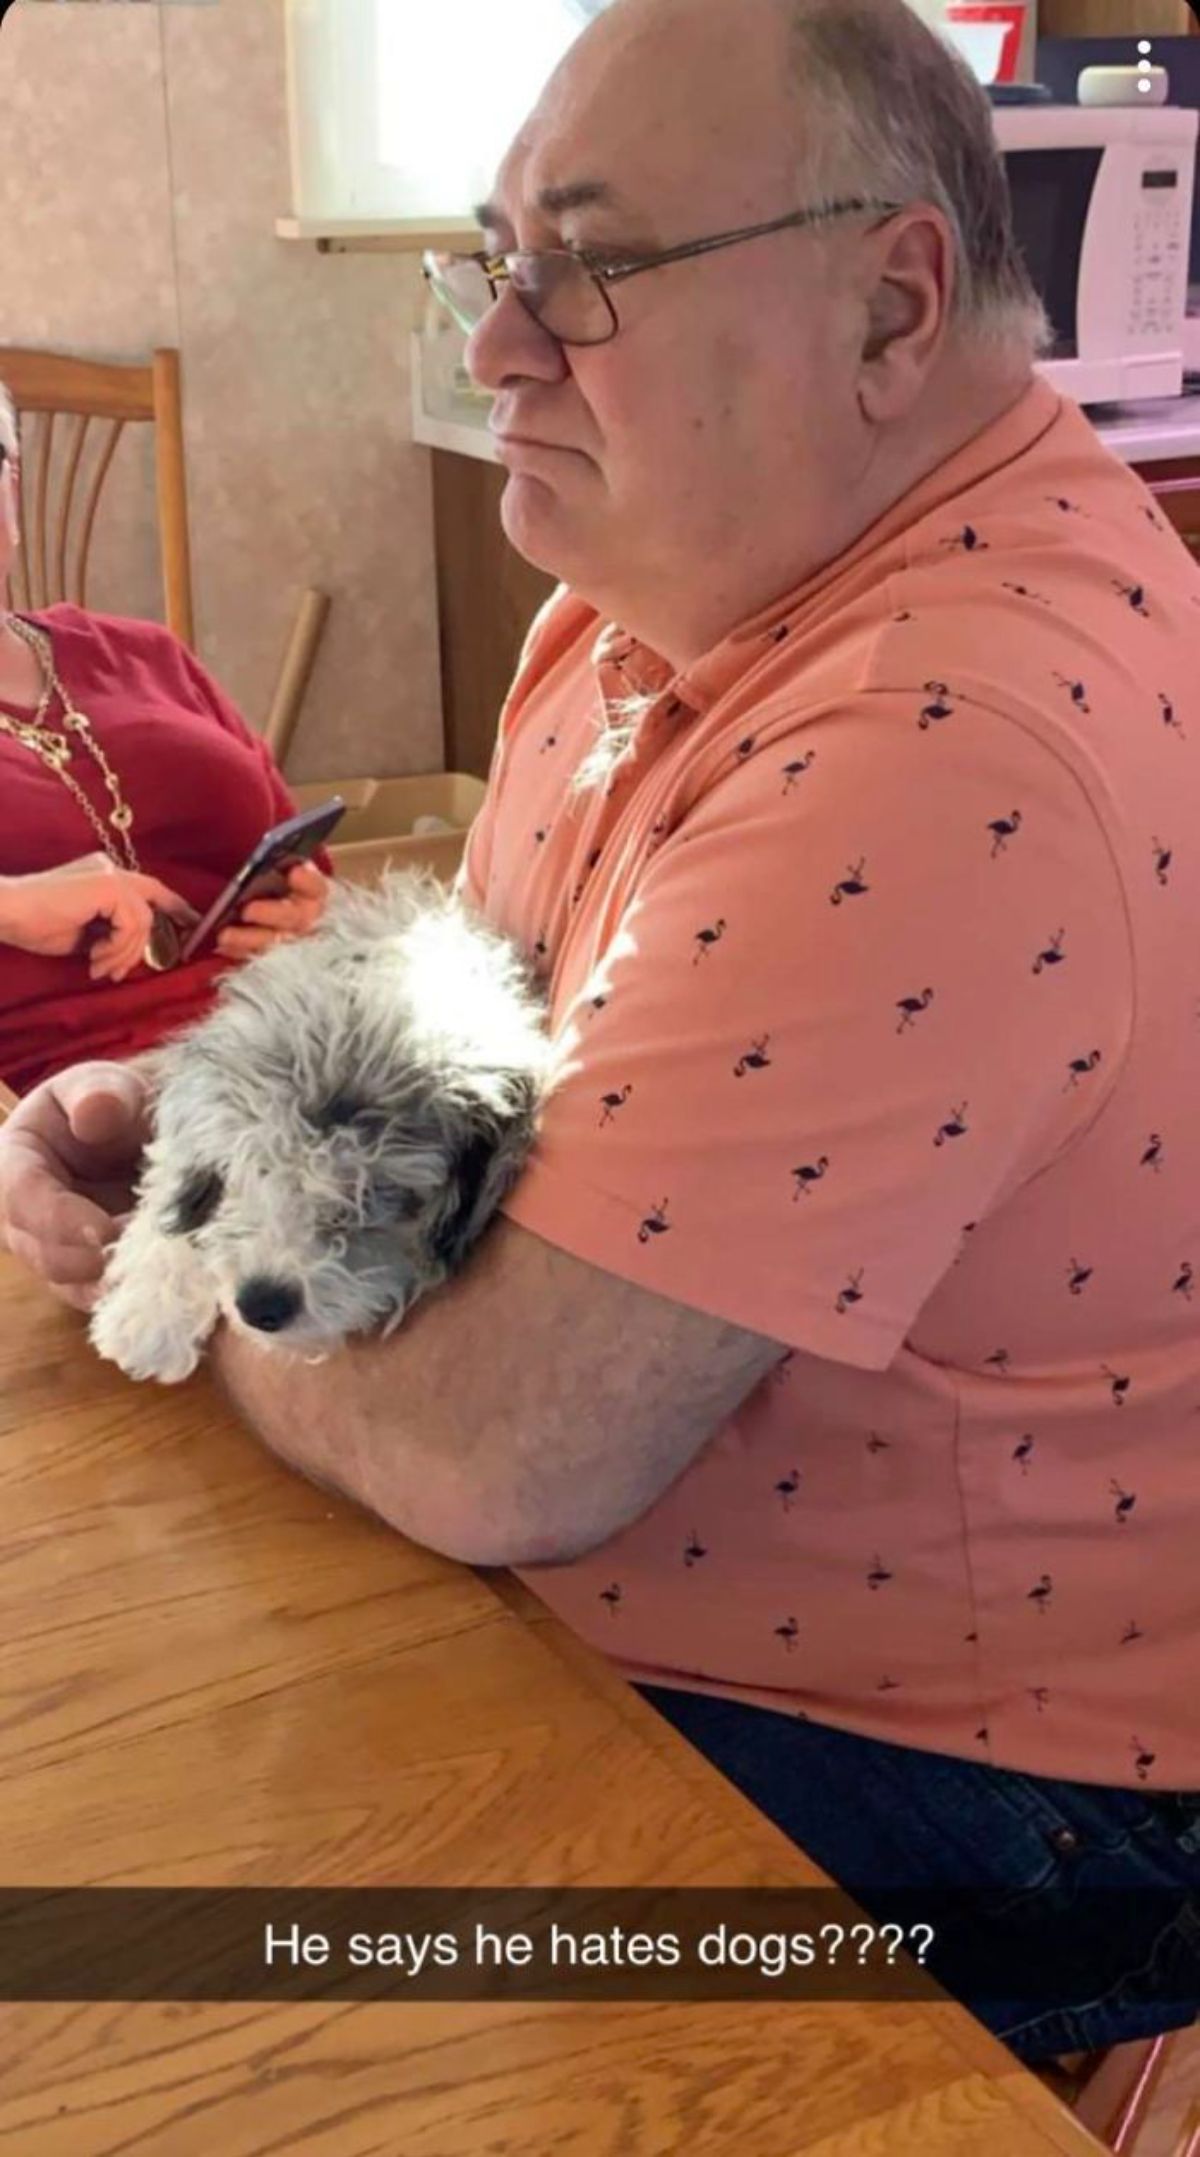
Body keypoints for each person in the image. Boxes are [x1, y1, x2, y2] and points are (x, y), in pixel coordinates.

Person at [5, 0, 1200, 2060]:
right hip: (647, 1607)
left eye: (595, 268)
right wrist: (207, 1108)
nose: (496, 345)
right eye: (503, 259)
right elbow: (478, 1012)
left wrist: (179, 1257)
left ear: (891, 301)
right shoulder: (653, 588)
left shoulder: (946, 730)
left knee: (244, 2000)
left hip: (1017, 1798)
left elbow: (498, 1444)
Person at [0, 379, 330, 1099]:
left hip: (298, 1034)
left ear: (12, 486)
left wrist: (306, 910)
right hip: (76, 1106)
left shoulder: (145, 654)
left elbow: (313, 867)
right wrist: (15, 903)